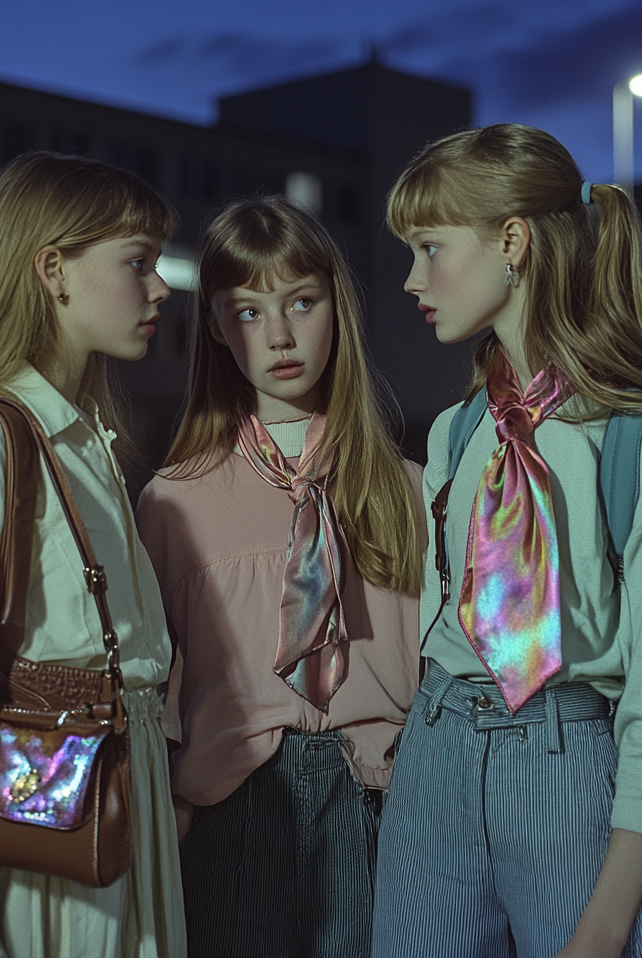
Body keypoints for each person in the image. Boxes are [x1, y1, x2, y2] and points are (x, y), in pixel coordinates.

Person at [370, 125, 642, 958]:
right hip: (437, 754)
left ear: (512, 241)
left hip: (565, 760)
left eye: (430, 247)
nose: (413, 278)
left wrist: (603, 927)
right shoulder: (453, 435)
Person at [0, 152, 186, 958]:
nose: (161, 288)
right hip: (36, 875)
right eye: (138, 262)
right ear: (53, 269)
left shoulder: (87, 445)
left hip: (113, 843)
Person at [136, 197, 424, 958]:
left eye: (302, 301)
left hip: (381, 799)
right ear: (216, 327)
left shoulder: (410, 490)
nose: (283, 334)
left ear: (338, 305)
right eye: (249, 310)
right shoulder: (173, 502)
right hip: (234, 802)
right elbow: (154, 678)